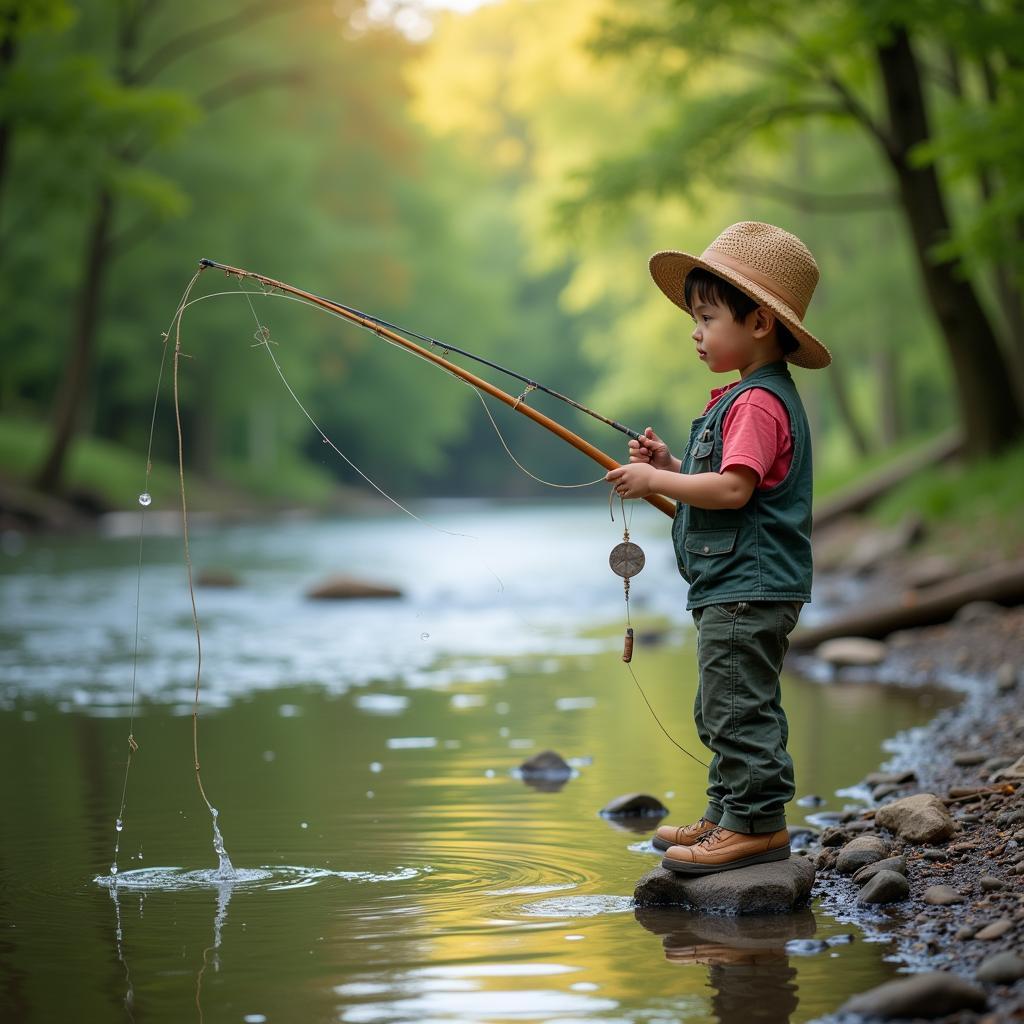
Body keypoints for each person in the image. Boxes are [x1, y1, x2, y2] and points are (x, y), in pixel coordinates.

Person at [605, 221, 831, 875]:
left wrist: (654, 478)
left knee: (737, 704)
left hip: (749, 586)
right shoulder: (745, 398)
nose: (695, 330)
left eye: (706, 316)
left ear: (759, 321)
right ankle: (726, 812)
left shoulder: (758, 402)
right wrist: (672, 463)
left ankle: (757, 826)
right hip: (736, 584)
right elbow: (730, 490)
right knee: (719, 702)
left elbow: (733, 491)